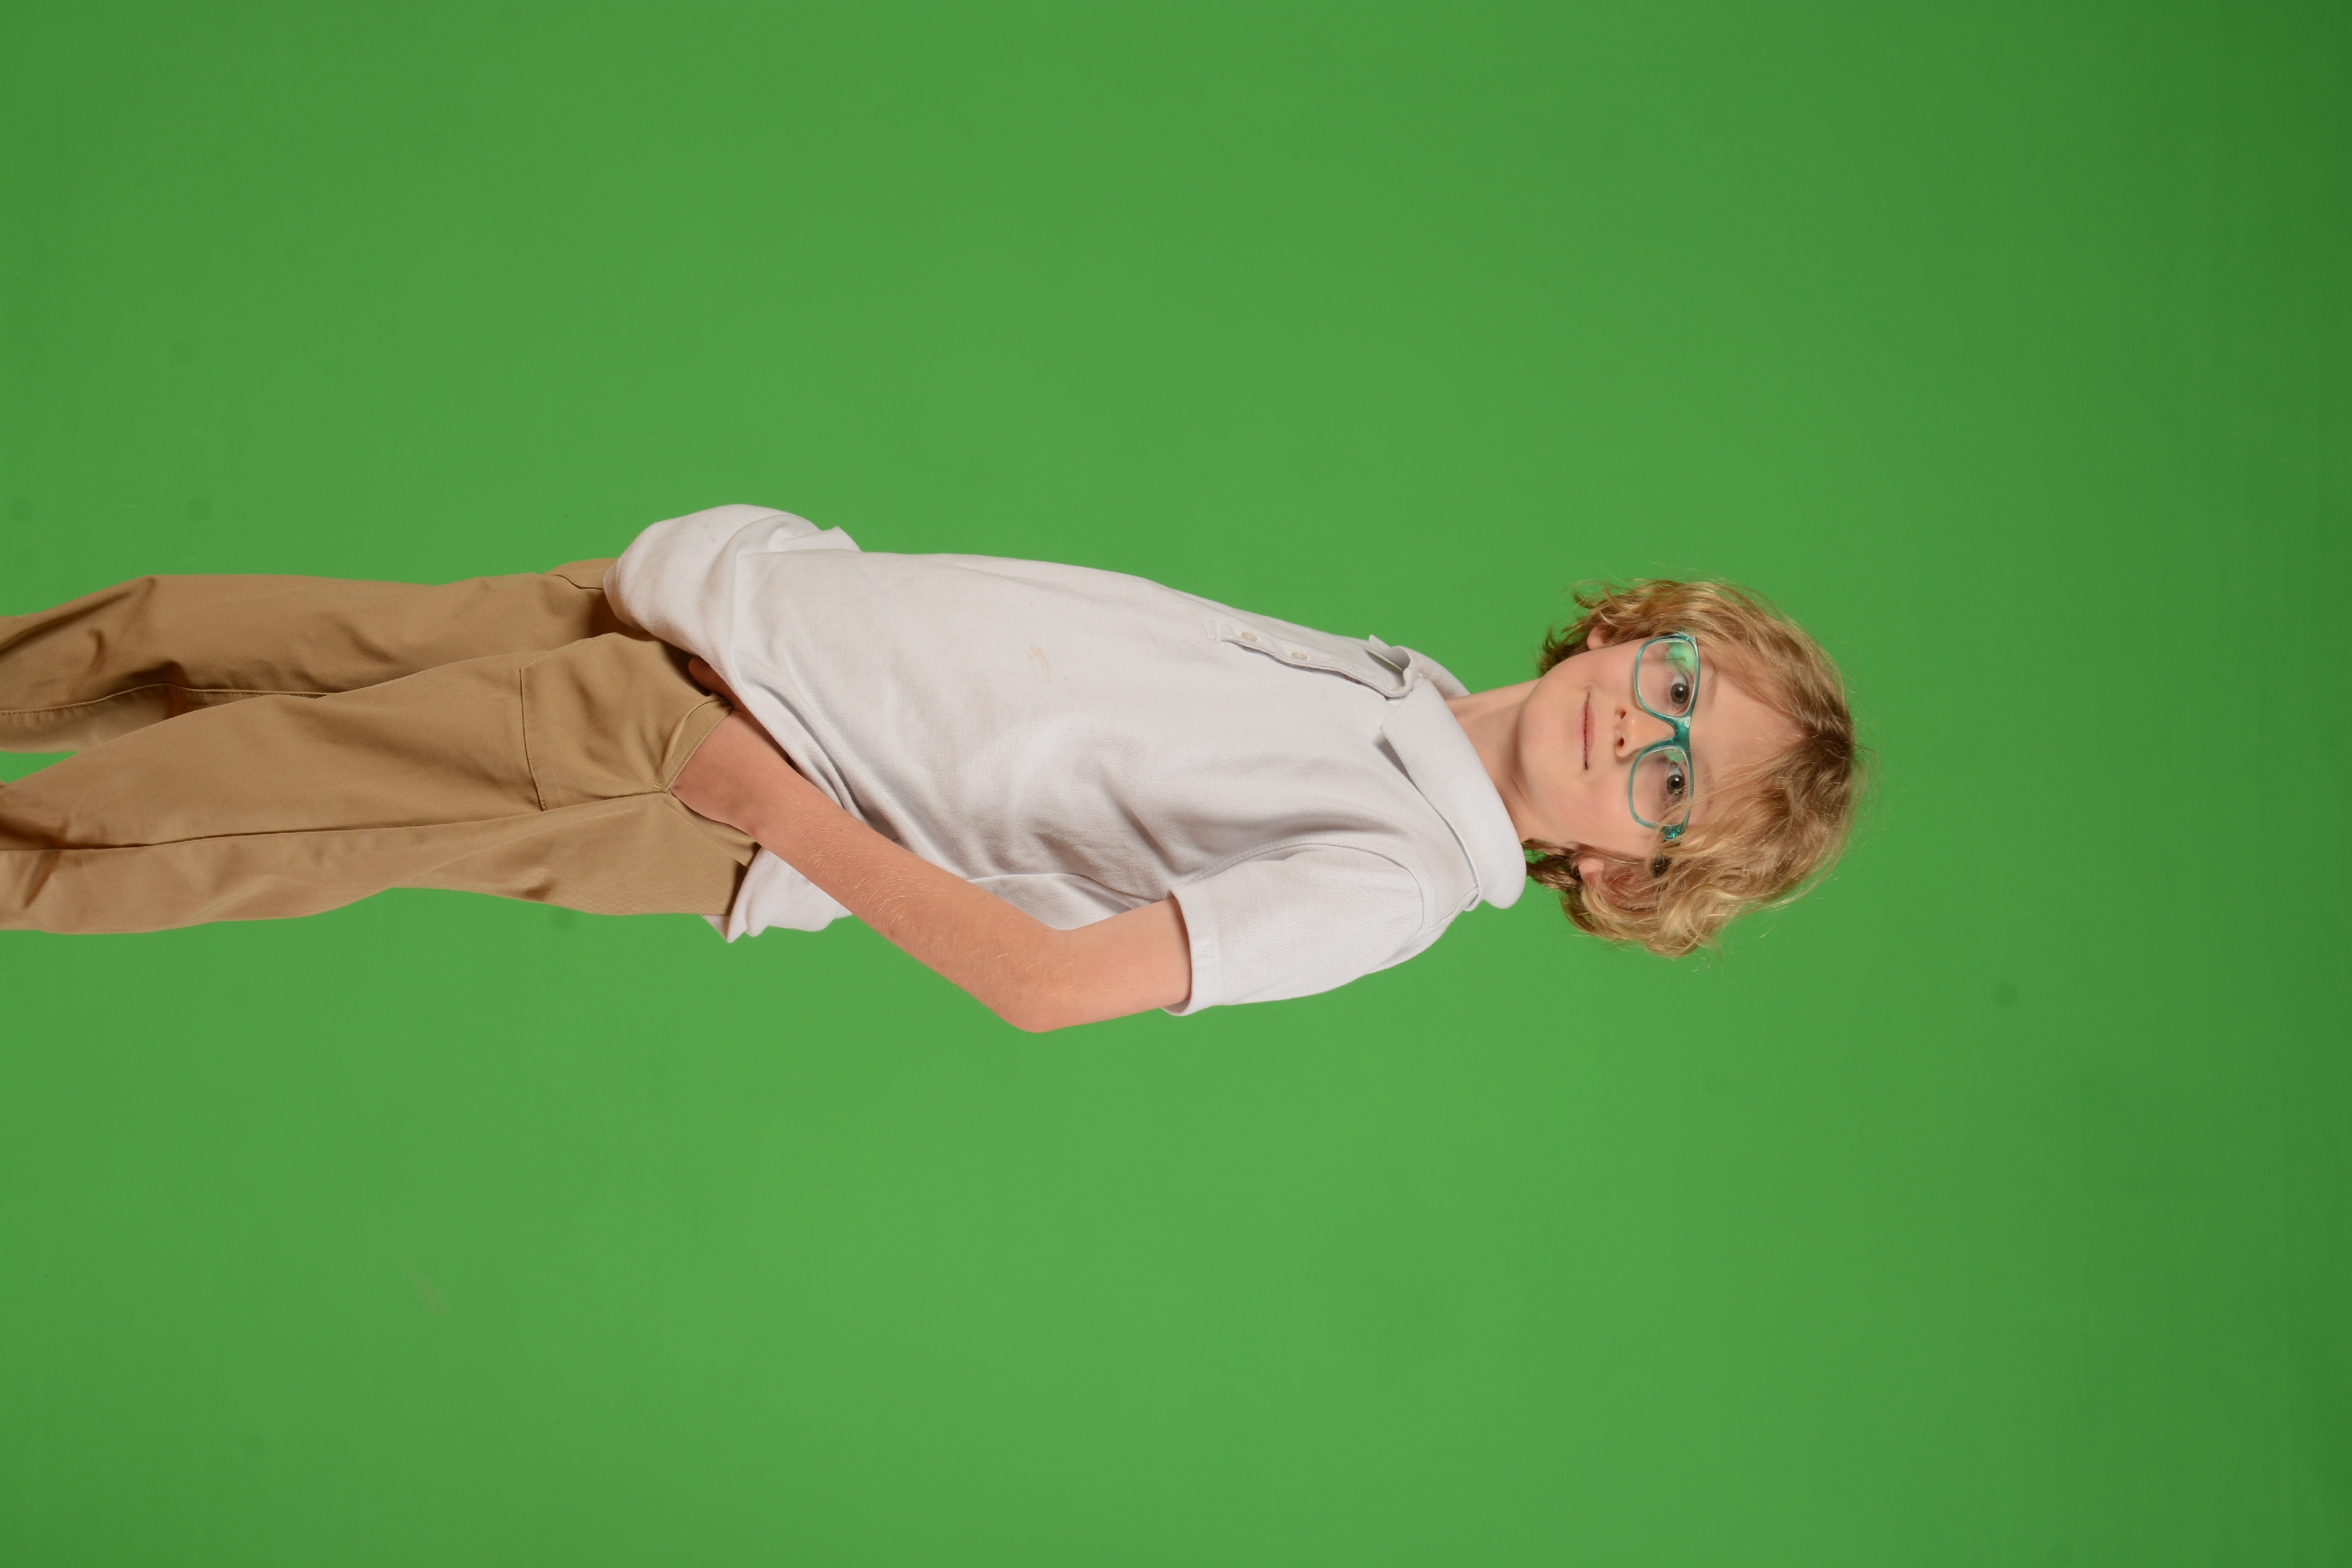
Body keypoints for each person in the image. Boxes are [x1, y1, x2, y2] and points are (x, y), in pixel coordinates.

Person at [0, 504, 1861, 1028]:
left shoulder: (1387, 878)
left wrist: (760, 801)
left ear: (1630, 873)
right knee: (175, 629)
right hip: (683, 607)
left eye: (1671, 786)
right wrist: (792, 570)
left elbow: (1050, 986)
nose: (1640, 730)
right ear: (1641, 632)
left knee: (188, 814)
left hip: (697, 755)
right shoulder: (1389, 690)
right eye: (1675, 689)